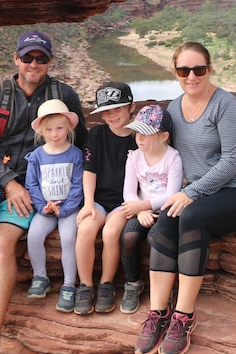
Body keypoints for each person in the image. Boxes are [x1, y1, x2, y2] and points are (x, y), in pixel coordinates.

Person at [0, 30, 87, 354]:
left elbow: (82, 142)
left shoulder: (63, 95)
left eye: (40, 58)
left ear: (49, 61)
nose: (33, 63)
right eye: (27, 57)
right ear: (16, 59)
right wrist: (9, 182)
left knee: (2, 242)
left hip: (33, 186)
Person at [134, 42, 236, 354]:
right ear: (175, 72)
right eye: (184, 70)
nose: (191, 76)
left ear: (209, 69)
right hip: (201, 192)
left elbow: (233, 161)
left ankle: (184, 315)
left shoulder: (225, 105)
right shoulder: (174, 109)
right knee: (168, 215)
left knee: (190, 216)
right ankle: (158, 313)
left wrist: (190, 192)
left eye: (198, 69)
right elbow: (160, 150)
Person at [73, 82, 138, 315]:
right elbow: (89, 169)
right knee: (86, 228)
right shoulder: (97, 134)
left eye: (117, 109)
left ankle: (107, 284)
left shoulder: (140, 137)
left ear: (132, 107)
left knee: (111, 233)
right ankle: (85, 284)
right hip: (99, 199)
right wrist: (88, 203)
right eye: (106, 111)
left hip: (125, 202)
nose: (111, 116)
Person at [118, 105, 183, 315]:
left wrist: (143, 206)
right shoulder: (134, 157)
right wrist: (139, 211)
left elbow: (172, 194)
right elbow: (129, 192)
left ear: (164, 136)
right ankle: (133, 283)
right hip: (142, 210)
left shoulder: (173, 158)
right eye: (137, 132)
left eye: (146, 134)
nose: (139, 138)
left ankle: (166, 289)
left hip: (165, 210)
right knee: (128, 237)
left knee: (155, 240)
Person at [24, 99, 84, 313]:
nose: (55, 134)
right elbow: (31, 183)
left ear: (68, 128)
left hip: (68, 209)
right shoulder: (38, 156)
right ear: (41, 131)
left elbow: (78, 185)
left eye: (60, 128)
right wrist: (43, 207)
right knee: (34, 236)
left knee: (69, 238)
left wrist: (66, 209)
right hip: (46, 210)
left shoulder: (75, 154)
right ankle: (40, 276)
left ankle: (69, 284)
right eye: (49, 129)